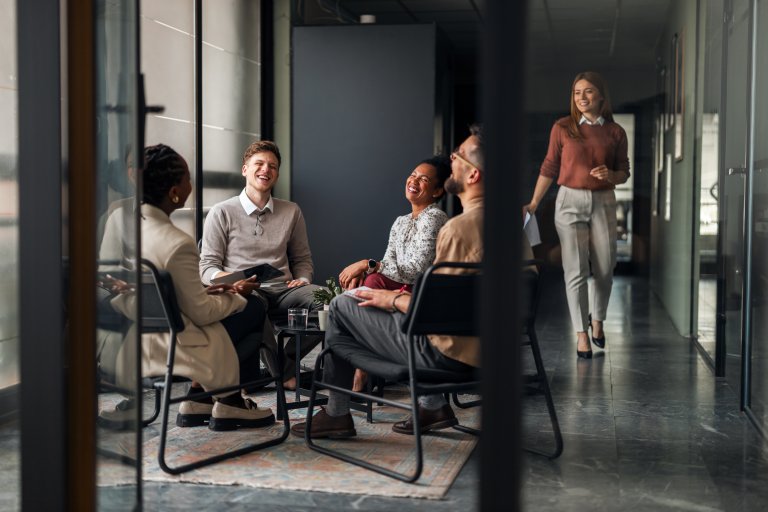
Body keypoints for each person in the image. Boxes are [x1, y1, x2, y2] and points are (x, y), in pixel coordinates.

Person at [291, 125, 485, 439]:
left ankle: (337, 412)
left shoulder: (456, 229)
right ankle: (431, 404)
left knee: (341, 306)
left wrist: (392, 300)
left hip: (446, 354)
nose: (452, 159)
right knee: (364, 292)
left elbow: (436, 311)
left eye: (459, 155)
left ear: (473, 175)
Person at [100, 144, 275, 431]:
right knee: (253, 308)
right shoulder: (176, 242)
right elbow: (203, 313)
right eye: (187, 179)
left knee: (239, 306)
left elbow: (154, 286)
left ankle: (201, 400)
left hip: (140, 330)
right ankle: (225, 400)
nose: (191, 185)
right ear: (173, 192)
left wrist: (211, 290)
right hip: (174, 343)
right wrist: (237, 296)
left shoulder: (122, 220)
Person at [199, 140, 323, 390]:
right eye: (259, 164)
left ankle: (283, 363)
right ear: (245, 169)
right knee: (253, 307)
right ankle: (286, 375)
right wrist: (234, 280)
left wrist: (304, 279)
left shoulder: (291, 211)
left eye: (273, 166)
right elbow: (207, 267)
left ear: (277, 173)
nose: (266, 170)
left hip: (285, 288)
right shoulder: (221, 212)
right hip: (246, 289)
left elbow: (302, 258)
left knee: (330, 301)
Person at [523, 71, 629, 359]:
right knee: (575, 269)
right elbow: (548, 167)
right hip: (569, 200)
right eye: (577, 92)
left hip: (604, 200)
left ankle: (598, 321)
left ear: (601, 96)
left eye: (589, 92)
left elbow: (624, 172)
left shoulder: (616, 131)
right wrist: (533, 203)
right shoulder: (562, 127)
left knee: (606, 268)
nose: (582, 98)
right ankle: (581, 334)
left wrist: (612, 174)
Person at [338, 155, 450, 391]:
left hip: (421, 294)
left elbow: (416, 271)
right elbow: (389, 263)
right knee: (368, 280)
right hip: (400, 287)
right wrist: (371, 268)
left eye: (424, 179)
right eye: (413, 175)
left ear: (438, 191)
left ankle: (360, 371)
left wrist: (368, 264)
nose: (414, 181)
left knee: (371, 279)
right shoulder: (400, 221)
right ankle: (362, 366)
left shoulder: (435, 217)